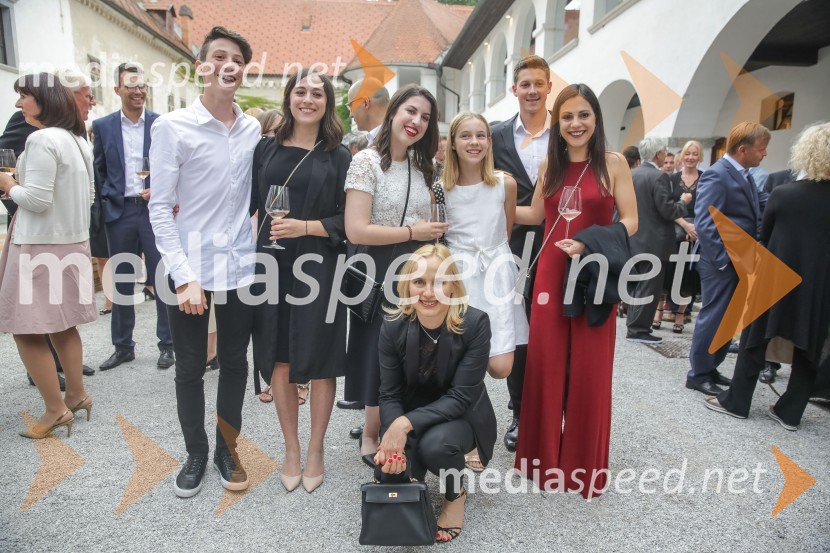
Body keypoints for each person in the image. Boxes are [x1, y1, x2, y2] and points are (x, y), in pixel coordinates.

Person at [149, 26, 260, 498]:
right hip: (190, 269)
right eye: (218, 56)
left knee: (235, 362)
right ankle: (195, 452)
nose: (228, 64)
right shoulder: (172, 127)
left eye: (236, 57)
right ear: (202, 66)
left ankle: (225, 449)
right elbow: (159, 206)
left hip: (240, 265)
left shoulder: (254, 128)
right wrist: (184, 276)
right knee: (190, 366)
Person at [514, 84, 637, 498]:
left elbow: (632, 221)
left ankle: (583, 466)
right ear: (558, 123)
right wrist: (482, 199)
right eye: (567, 116)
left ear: (596, 118)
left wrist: (590, 241)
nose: (575, 123)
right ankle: (541, 460)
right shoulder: (551, 163)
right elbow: (534, 213)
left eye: (583, 115)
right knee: (545, 364)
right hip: (550, 272)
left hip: (594, 271)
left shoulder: (614, 164)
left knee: (589, 366)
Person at [250, 70, 351, 493]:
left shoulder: (339, 155)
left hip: (320, 267)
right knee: (279, 358)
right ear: (288, 97)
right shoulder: (263, 149)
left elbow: (350, 221)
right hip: (271, 265)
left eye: (317, 93)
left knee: (321, 359)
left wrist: (304, 227)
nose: (308, 99)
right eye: (300, 91)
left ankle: (316, 450)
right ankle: (291, 448)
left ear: (327, 102)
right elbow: (252, 206)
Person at [343, 84, 447, 467]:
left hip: (416, 270)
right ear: (393, 113)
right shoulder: (366, 161)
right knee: (376, 352)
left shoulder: (426, 167)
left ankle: (402, 427)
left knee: (412, 351)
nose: (417, 121)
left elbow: (435, 215)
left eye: (425, 117)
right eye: (411, 111)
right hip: (378, 269)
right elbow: (355, 229)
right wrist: (411, 233)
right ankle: (370, 435)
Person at [704, 121, 830, 430]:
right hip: (820, 285)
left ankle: (738, 401)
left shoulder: (784, 194)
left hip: (776, 275)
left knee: (755, 337)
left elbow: (765, 234)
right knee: (809, 346)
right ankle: (790, 412)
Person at [377, 244, 496, 543]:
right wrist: (393, 439)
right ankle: (410, 470)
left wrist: (403, 425)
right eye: (420, 282)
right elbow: (389, 394)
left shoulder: (475, 324)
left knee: (436, 447)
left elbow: (460, 398)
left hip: (461, 416)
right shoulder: (392, 327)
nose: (429, 292)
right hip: (410, 412)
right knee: (390, 473)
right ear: (407, 285)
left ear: (454, 285)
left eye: (440, 281)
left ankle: (456, 495)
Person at [0, 73, 96, 438]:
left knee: (24, 330)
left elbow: (37, 201)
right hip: (71, 242)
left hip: (38, 243)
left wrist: (9, 185)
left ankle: (55, 409)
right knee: (62, 324)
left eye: (23, 96)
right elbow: (87, 199)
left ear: (43, 99)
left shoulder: (41, 139)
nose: (19, 103)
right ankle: (76, 394)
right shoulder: (77, 140)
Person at [437, 112, 527, 470]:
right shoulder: (441, 188)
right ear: (452, 144)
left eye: (481, 136)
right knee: (462, 362)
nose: (474, 142)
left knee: (500, 366)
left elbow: (504, 230)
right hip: (460, 274)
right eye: (466, 136)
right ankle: (473, 437)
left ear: (490, 142)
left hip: (496, 272)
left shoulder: (505, 183)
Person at [490, 54, 552, 453]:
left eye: (538, 83)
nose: (531, 90)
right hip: (507, 247)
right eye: (524, 84)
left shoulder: (564, 135)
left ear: (549, 87)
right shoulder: (493, 136)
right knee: (515, 332)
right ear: (515, 90)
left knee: (548, 330)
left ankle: (549, 412)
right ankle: (519, 411)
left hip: (554, 245)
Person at [93, 63, 173, 371]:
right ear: (118, 90)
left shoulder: (161, 123)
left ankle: (168, 345)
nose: (138, 91)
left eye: (142, 86)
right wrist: (106, 200)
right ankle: (123, 346)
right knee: (122, 280)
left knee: (162, 277)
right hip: (120, 209)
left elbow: (172, 165)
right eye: (131, 86)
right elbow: (98, 169)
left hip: (154, 210)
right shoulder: (102, 126)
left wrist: (162, 190)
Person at [687, 122, 770, 396]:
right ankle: (698, 373)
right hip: (720, 261)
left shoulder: (744, 174)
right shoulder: (717, 174)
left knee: (729, 319)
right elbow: (706, 221)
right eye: (761, 149)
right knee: (714, 317)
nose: (765, 154)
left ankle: (711, 367)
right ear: (743, 149)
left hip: (740, 258)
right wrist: (722, 260)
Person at [625, 136, 690, 344]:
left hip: (635, 237)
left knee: (639, 284)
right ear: (658, 154)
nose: (665, 154)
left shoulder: (632, 174)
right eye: (664, 151)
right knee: (649, 286)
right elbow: (667, 210)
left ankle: (634, 325)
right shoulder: (658, 177)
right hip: (653, 240)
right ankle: (638, 329)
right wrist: (683, 202)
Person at [662, 140, 704, 333]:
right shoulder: (672, 179)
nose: (690, 157)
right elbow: (667, 207)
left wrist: (695, 228)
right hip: (675, 229)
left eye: (694, 154)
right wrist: (685, 224)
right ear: (682, 156)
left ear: (699, 156)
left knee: (688, 274)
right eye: (687, 153)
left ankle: (680, 315)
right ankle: (659, 313)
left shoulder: (705, 178)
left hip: (695, 233)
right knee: (668, 271)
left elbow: (708, 206)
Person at [347, 78, 389, 144]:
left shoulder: (393, 141)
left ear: (366, 103)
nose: (350, 115)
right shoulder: (375, 138)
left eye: (351, 106)